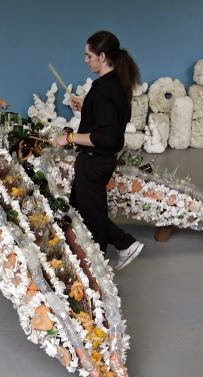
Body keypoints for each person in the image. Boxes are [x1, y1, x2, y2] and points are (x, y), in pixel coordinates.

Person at [53, 30, 144, 270]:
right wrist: (87, 105)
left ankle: (111, 254)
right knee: (82, 208)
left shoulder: (103, 89)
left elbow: (106, 136)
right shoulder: (115, 83)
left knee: (91, 215)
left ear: (102, 56)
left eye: (89, 56)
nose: (85, 60)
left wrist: (68, 138)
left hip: (95, 161)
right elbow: (110, 116)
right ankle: (117, 247)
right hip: (99, 160)